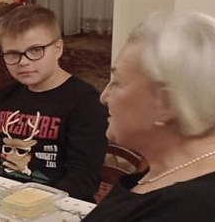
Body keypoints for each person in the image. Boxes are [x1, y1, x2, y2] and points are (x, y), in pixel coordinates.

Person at [82, 12, 215, 221]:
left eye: (117, 82)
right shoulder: (167, 171)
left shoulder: (192, 207)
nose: (104, 97)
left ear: (166, 103)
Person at [0, 5, 108, 201]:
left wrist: (34, 204)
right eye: (12, 54)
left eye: (35, 50)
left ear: (58, 48)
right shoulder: (4, 96)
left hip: (56, 206)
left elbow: (83, 178)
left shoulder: (84, 101)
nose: (23, 62)